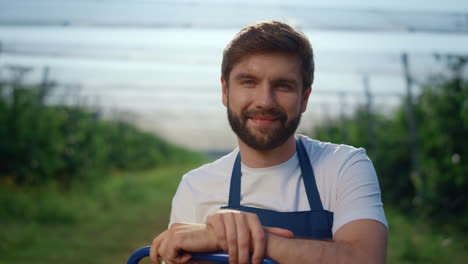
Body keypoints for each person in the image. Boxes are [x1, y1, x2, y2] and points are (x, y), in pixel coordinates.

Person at [150, 20, 388, 264]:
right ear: (225, 91)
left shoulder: (343, 166)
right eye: (249, 82)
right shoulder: (195, 188)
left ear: (304, 98)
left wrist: (245, 239)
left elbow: (366, 258)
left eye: (283, 86)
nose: (265, 101)